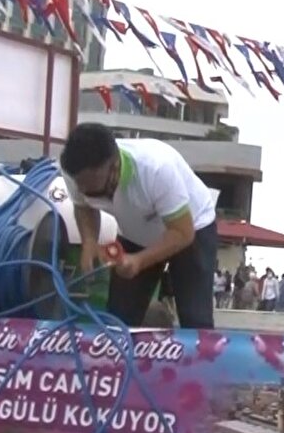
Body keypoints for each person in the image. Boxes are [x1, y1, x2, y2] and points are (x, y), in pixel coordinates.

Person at [61, 123, 217, 329]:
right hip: (136, 231)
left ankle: (201, 358)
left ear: (114, 166)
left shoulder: (156, 169)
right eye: (80, 184)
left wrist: (139, 261)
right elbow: (83, 208)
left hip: (192, 227)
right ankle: (120, 358)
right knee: (119, 316)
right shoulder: (74, 173)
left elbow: (182, 232)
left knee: (194, 317)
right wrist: (89, 242)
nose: (84, 189)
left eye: (93, 185)